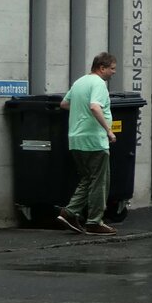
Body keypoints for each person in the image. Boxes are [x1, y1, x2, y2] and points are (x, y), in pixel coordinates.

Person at [55, 52, 119, 235]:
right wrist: (108, 130)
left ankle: (68, 213)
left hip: (76, 139)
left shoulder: (80, 82)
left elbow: (64, 104)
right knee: (100, 182)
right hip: (94, 140)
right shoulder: (98, 84)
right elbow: (94, 106)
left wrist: (80, 111)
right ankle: (94, 222)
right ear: (102, 68)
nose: (114, 72)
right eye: (112, 69)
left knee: (87, 179)